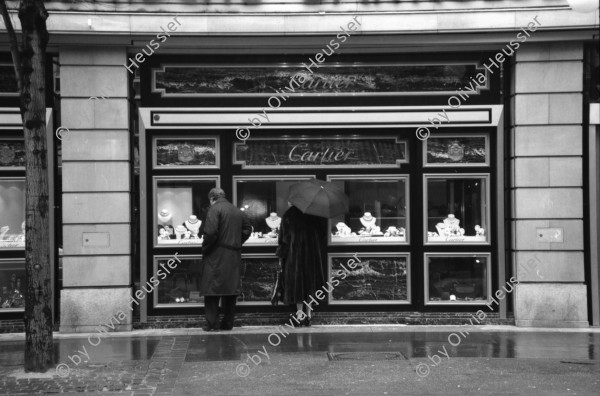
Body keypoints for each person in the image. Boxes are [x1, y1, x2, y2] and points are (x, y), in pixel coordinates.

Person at [200, 188, 252, 331]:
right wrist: (236, 242)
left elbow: (210, 232)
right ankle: (228, 323)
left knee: (212, 289)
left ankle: (212, 324)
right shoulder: (237, 210)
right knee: (230, 291)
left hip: (216, 255)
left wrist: (205, 248)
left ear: (212, 198)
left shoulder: (214, 209)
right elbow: (248, 229)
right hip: (233, 255)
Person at [276, 204, 327, 327]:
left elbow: (284, 239)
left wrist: (281, 254)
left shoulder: (289, 215)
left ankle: (299, 315)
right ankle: (308, 314)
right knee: (310, 284)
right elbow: (322, 234)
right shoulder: (315, 214)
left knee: (297, 286)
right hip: (312, 255)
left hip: (295, 256)